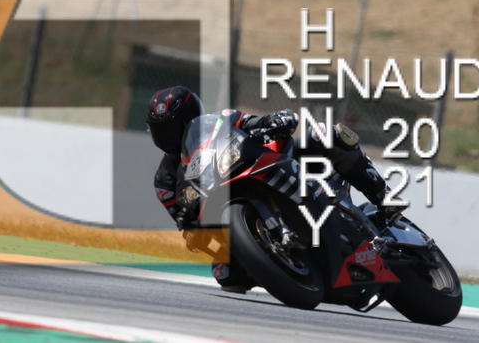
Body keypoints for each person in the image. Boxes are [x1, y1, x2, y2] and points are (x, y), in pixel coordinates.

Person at [146, 86, 403, 293]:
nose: (167, 136)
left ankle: (383, 197)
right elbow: (182, 219)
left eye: (171, 127)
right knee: (226, 275)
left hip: (269, 165)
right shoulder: (164, 181)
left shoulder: (220, 121)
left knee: (324, 135)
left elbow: (253, 122)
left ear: (190, 117)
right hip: (226, 206)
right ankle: (289, 271)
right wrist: (190, 229)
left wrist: (274, 120)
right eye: (160, 130)